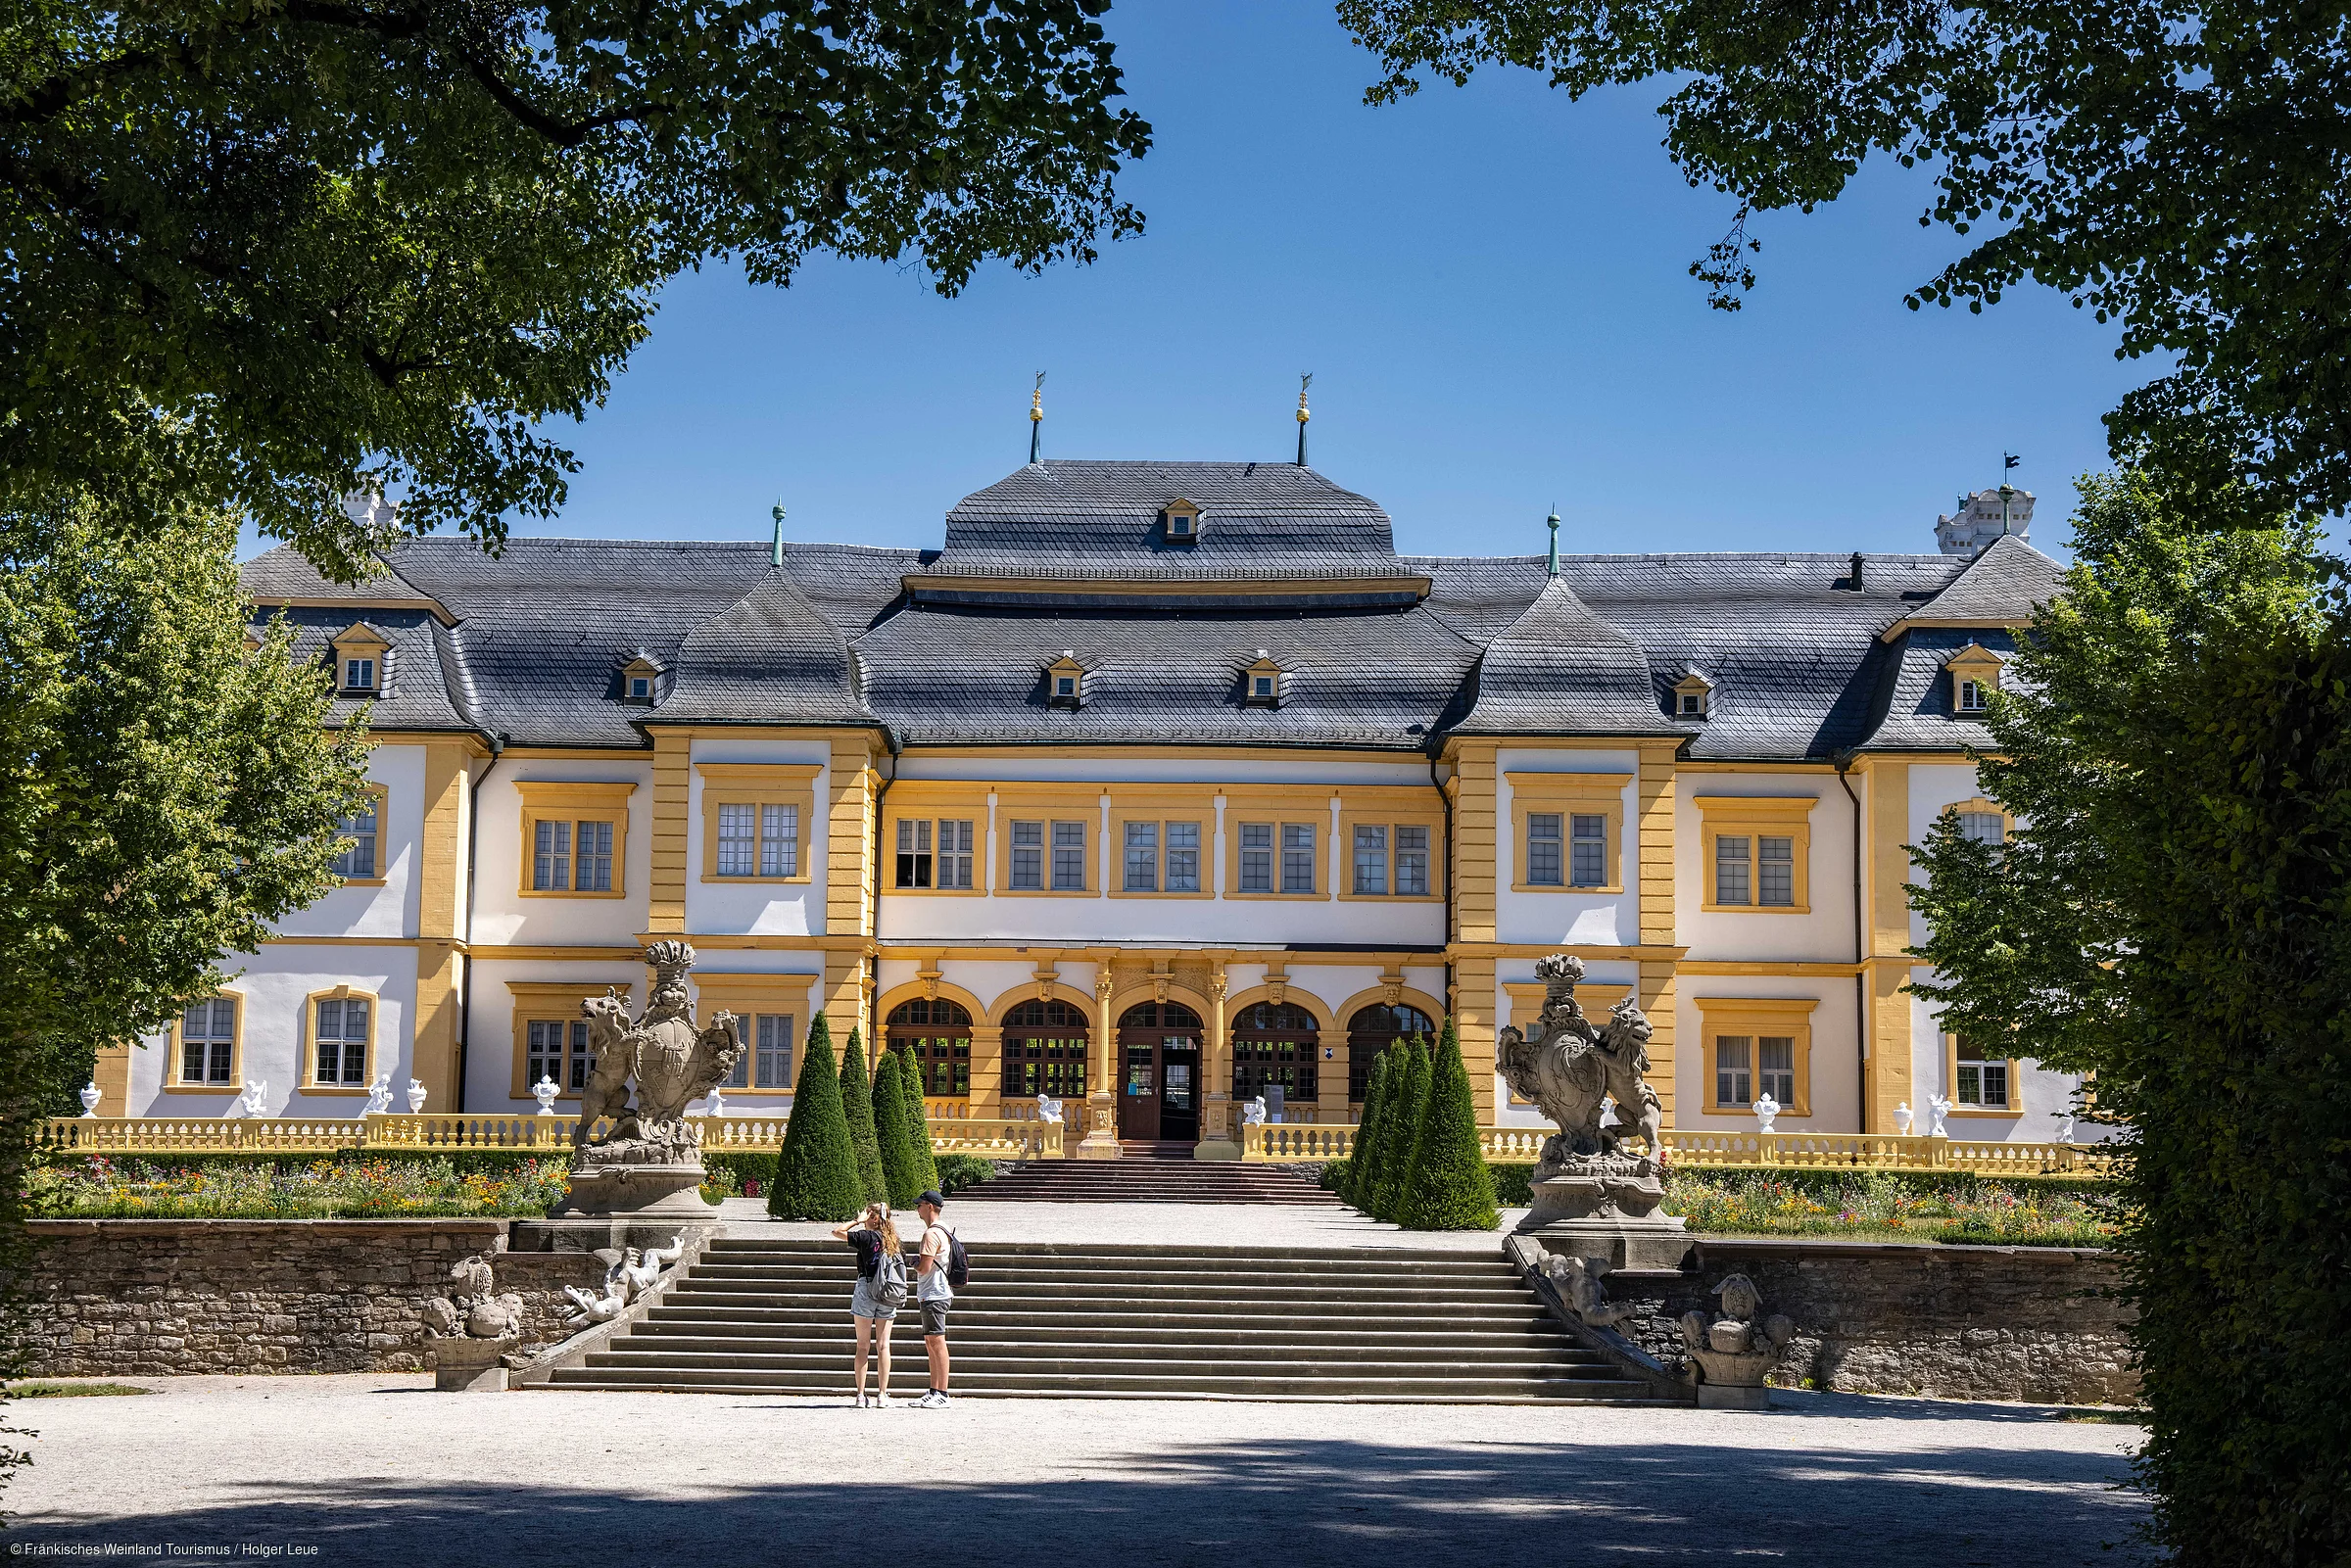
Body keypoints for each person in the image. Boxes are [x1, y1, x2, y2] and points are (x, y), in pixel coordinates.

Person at [830, 1202, 901, 1407]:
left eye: (867, 1215)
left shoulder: (865, 1237)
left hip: (866, 1288)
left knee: (862, 1345)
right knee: (883, 1345)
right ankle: (882, 1394)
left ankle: (861, 1395)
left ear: (874, 1218)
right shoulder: (893, 1241)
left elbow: (837, 1232)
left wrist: (856, 1221)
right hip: (888, 1292)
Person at [912, 1188, 954, 1408]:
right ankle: (934, 1390)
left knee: (937, 1342)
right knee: (931, 1342)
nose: (917, 1209)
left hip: (933, 1293)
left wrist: (913, 1264)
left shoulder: (930, 1234)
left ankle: (943, 1392)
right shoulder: (944, 1229)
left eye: (920, 1205)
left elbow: (925, 1268)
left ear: (929, 1207)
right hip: (936, 1292)